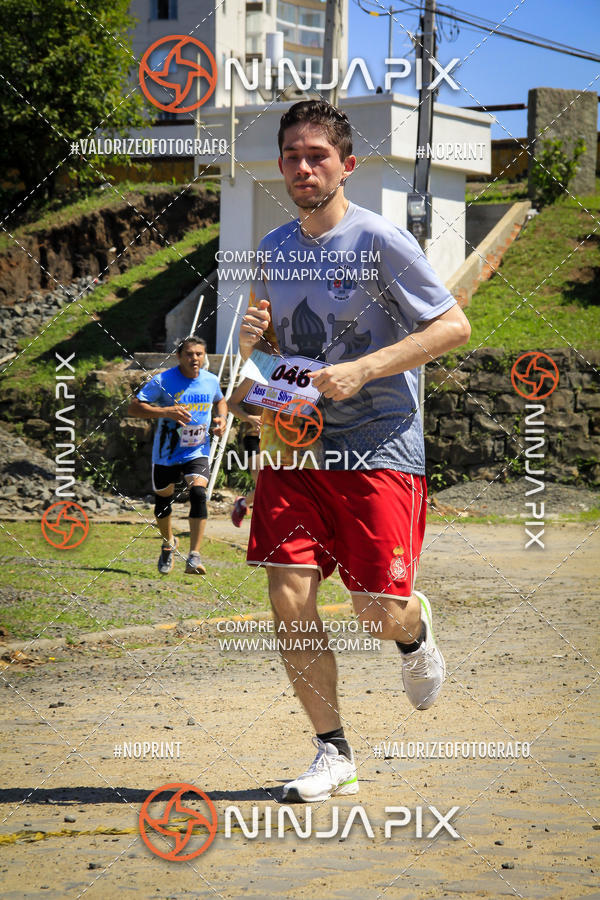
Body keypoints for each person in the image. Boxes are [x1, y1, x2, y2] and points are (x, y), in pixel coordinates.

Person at [238, 100, 471, 803]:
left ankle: (412, 629)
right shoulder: (271, 249)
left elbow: (454, 325)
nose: (304, 167)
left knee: (376, 610)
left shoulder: (381, 241)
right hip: (298, 450)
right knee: (288, 597)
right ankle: (331, 752)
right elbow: (279, 353)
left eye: (318, 156)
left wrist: (366, 369)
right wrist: (254, 345)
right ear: (280, 164)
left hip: (379, 444)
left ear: (347, 165)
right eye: (292, 156)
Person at [127, 336, 227, 575]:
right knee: (163, 501)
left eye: (199, 354)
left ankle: (194, 555)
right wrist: (166, 411)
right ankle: (168, 541)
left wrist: (221, 419)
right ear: (179, 357)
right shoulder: (162, 380)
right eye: (190, 354)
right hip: (167, 451)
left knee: (199, 493)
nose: (195, 358)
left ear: (204, 357)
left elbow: (220, 400)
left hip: (197, 449)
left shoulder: (210, 380)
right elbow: (133, 407)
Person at [227, 377, 262, 527]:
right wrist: (249, 418)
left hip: (280, 439)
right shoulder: (254, 376)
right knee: (263, 482)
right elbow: (230, 404)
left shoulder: (292, 376)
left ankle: (243, 503)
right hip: (254, 436)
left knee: (274, 484)